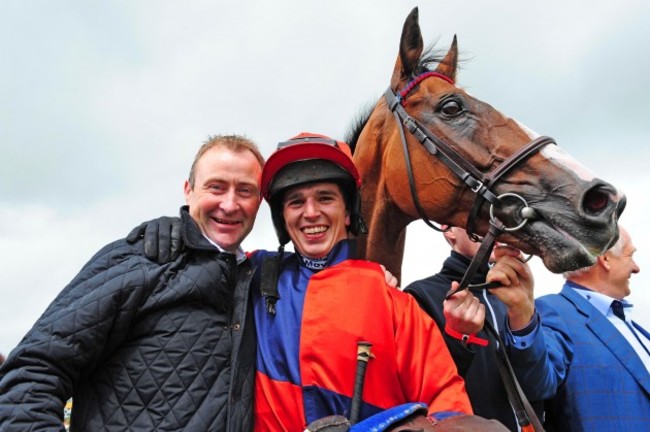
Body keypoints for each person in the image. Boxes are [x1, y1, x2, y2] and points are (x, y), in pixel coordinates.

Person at [0, 135, 264, 431]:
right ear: (188, 191)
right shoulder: (136, 258)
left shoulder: (261, 282)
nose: (229, 204)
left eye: (245, 190)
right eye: (216, 187)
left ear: (260, 201)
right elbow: (29, 376)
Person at [248, 132, 503, 431]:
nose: (311, 212)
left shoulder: (395, 303)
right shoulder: (252, 276)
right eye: (296, 202)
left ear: (347, 213)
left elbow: (446, 401)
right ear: (283, 218)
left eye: (325, 198)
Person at [536, 226, 650, 431]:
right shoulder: (554, 311)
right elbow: (536, 381)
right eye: (630, 256)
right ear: (605, 258)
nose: (636, 267)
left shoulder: (637, 330)